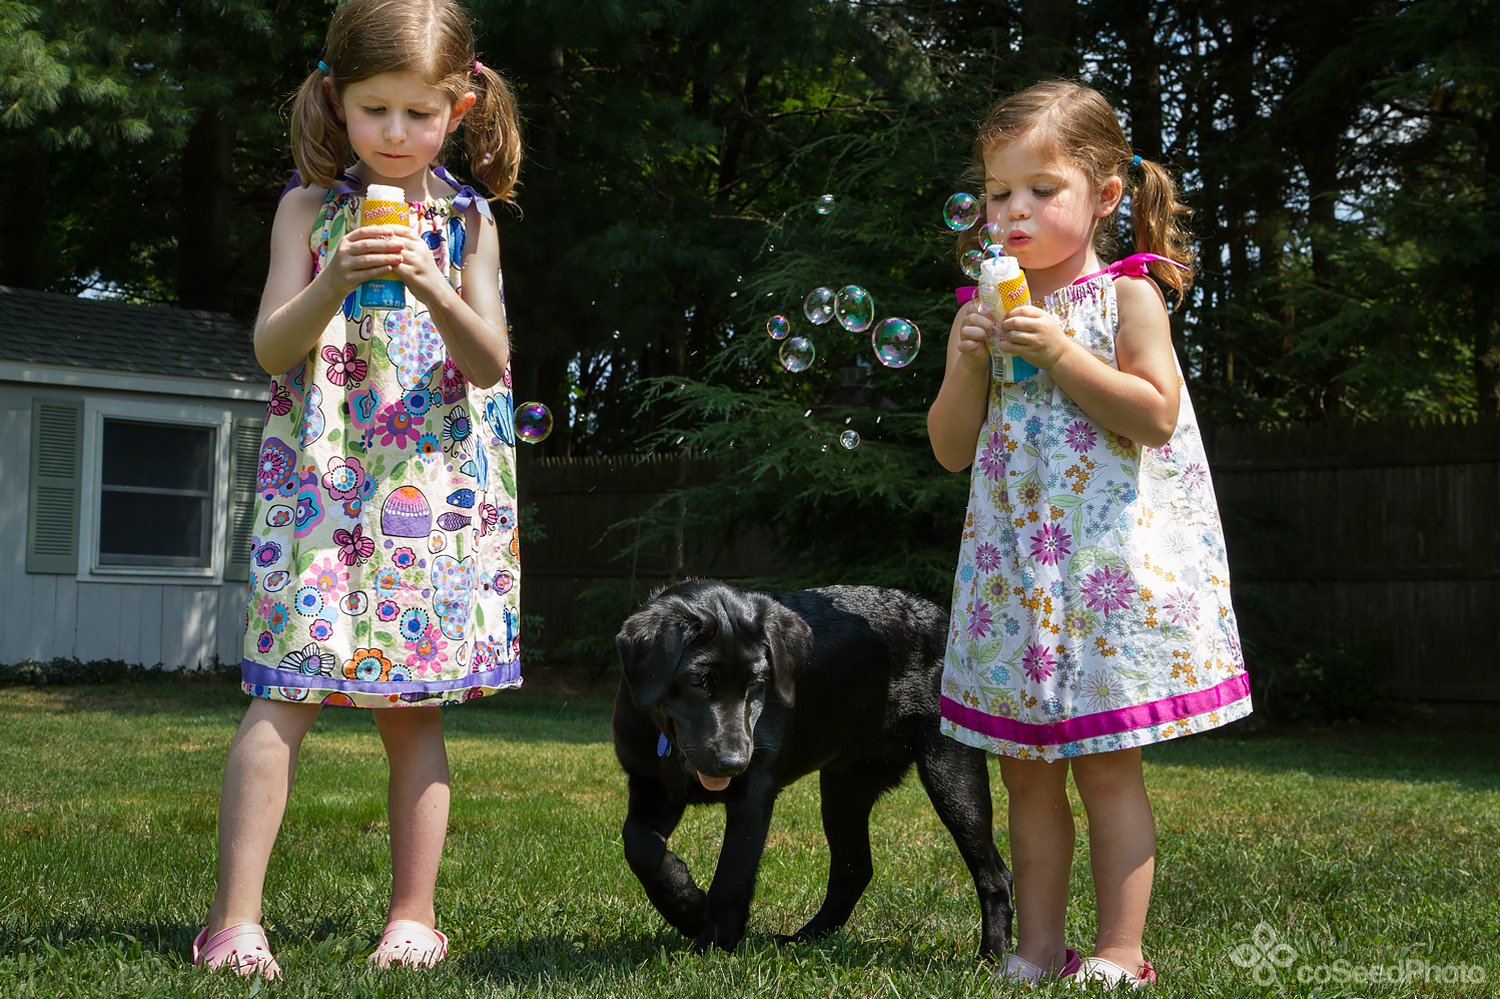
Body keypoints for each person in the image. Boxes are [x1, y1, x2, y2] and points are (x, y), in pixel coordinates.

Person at [193, 0, 524, 977]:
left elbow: (490, 362)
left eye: (418, 114)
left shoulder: (468, 223)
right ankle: (235, 924)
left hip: (429, 500)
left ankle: (413, 919)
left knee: (413, 711)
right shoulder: (307, 211)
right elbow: (271, 348)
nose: (394, 132)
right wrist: (332, 278)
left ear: (458, 107)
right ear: (337, 103)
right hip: (323, 491)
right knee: (280, 697)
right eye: (374, 109)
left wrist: (433, 281)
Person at [927, 80, 1252, 990]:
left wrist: (1062, 352)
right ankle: (1034, 950)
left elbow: (1152, 417)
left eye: (1041, 189)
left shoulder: (1127, 298)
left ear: (1105, 195)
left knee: (1107, 771)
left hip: (1105, 577)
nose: (1013, 210)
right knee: (1027, 775)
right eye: (998, 193)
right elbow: (952, 450)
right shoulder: (985, 313)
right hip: (1015, 579)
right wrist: (966, 359)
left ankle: (1117, 951)